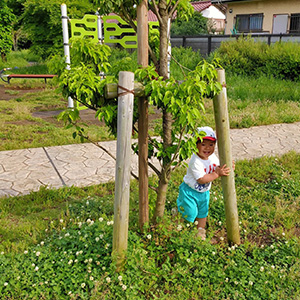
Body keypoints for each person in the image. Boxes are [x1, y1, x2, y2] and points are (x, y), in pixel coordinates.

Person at [177, 126, 232, 240]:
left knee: (203, 212)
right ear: (195, 145)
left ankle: (201, 230)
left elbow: (218, 166)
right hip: (189, 192)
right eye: (203, 144)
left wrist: (227, 167)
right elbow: (201, 179)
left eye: (211, 145)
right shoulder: (195, 161)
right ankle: (180, 218)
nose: (207, 148)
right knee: (190, 213)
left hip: (204, 192)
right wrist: (217, 174)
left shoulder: (212, 157)